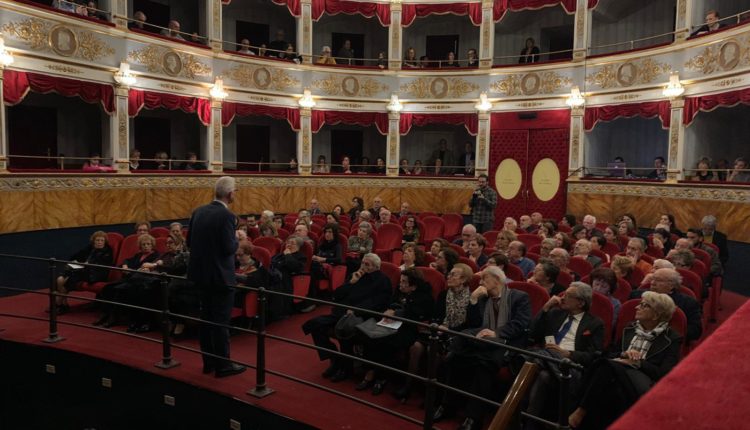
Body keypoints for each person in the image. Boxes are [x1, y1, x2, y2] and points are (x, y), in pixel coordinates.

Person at [433, 266, 531, 429]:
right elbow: (475, 324)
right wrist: (473, 300)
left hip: (504, 342)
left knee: (484, 366)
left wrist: (496, 332)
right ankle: (447, 405)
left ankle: (473, 418)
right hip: (481, 340)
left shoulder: (519, 297)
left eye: (484, 279)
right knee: (454, 358)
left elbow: (520, 324)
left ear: (497, 280)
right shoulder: (484, 298)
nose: (480, 282)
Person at [568, 292, 682, 429]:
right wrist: (624, 354)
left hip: (643, 381)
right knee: (609, 390)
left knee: (604, 368)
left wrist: (638, 363)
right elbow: (610, 353)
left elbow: (664, 373)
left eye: (644, 305)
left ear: (656, 314)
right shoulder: (630, 328)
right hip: (615, 376)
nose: (637, 307)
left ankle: (579, 411)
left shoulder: (672, 338)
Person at [186, 176, 245, 377]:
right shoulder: (228, 217)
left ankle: (209, 363)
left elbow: (189, 243)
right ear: (230, 194)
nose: (235, 194)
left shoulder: (198, 212)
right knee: (220, 323)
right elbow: (228, 248)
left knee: (206, 320)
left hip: (200, 276)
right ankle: (223, 366)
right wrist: (237, 240)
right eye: (235, 191)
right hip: (221, 278)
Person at [525, 283, 604, 429]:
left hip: (571, 365)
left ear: (581, 302)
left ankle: (528, 358)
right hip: (551, 366)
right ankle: (530, 425)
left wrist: (567, 353)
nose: (562, 298)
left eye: (568, 295)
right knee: (544, 375)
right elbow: (532, 334)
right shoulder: (555, 314)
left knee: (538, 357)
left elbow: (594, 356)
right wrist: (545, 308)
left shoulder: (595, 323)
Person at [302, 253, 392, 382]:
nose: (363, 266)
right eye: (362, 263)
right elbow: (336, 295)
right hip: (342, 313)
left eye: (367, 264)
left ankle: (346, 369)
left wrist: (356, 310)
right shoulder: (355, 276)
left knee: (344, 332)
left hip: (362, 316)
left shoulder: (383, 280)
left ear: (376, 267)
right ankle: (334, 359)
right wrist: (351, 282)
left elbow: (377, 302)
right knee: (313, 325)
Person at [395, 263, 474, 402]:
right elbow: (435, 315)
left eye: (453, 275)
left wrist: (448, 329)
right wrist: (438, 325)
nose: (448, 277)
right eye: (449, 274)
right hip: (437, 330)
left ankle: (430, 393)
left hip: (455, 336)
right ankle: (408, 386)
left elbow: (470, 325)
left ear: (463, 279)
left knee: (433, 350)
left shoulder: (471, 298)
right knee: (416, 347)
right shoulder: (444, 294)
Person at [356, 267, 433, 394]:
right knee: (366, 332)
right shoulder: (399, 290)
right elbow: (391, 303)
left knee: (385, 341)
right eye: (400, 281)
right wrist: (390, 312)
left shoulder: (424, 297)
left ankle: (381, 377)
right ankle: (371, 370)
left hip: (409, 328)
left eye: (404, 282)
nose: (400, 284)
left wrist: (396, 313)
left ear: (413, 287)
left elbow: (415, 315)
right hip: (390, 323)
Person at [631, 268, 702, 342]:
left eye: (658, 280)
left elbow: (695, 331)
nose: (652, 283)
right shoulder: (637, 295)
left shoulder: (687, 303)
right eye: (652, 279)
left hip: (668, 342)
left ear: (671, 285)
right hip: (635, 337)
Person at [54, 231, 113, 313]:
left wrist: (84, 264)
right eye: (97, 240)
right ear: (93, 241)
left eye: (102, 240)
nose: (99, 242)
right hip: (84, 270)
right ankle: (63, 303)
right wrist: (75, 261)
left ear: (105, 241)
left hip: (95, 273)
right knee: (60, 279)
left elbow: (99, 265)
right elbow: (77, 256)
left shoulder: (107, 251)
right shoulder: (90, 248)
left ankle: (59, 303)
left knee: (67, 279)